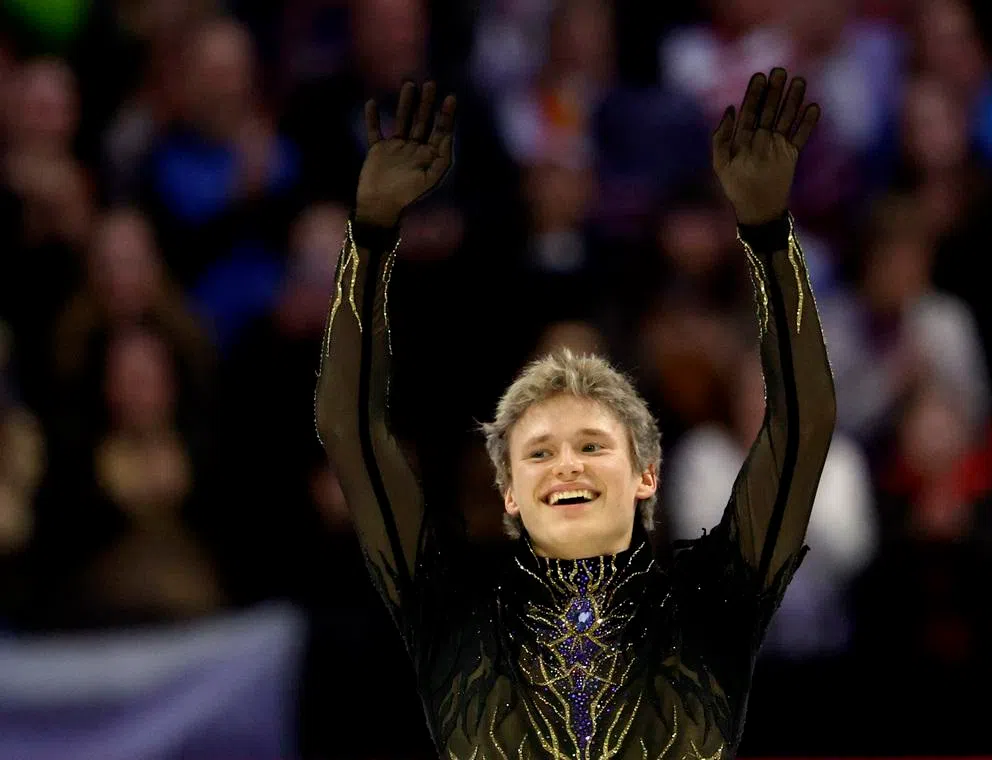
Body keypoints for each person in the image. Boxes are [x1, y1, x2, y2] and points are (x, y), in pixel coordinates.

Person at [315, 69, 836, 759]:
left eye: (591, 443)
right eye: (540, 449)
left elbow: (800, 434)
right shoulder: (450, 612)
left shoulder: (707, 614)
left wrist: (768, 236)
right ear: (506, 488)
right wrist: (372, 236)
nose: (566, 463)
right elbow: (350, 431)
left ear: (646, 473)